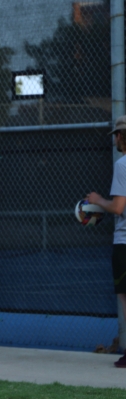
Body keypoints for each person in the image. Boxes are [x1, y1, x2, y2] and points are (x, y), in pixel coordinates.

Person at [86, 114, 126, 369]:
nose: (114, 141)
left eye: (116, 136)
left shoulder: (123, 164)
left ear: (121, 136)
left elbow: (118, 207)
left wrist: (97, 200)